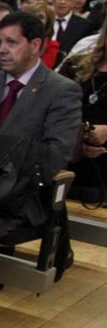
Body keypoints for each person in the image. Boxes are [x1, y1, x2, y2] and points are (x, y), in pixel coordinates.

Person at [0, 12, 83, 279]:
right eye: (0, 42)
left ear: (36, 45)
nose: (2, 50)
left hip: (24, 194)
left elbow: (55, 154)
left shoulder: (61, 91)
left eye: (12, 43)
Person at [59, 21, 107, 204]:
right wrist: (77, 140)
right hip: (63, 168)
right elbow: (46, 107)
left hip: (101, 183)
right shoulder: (76, 64)